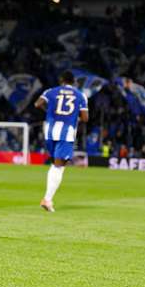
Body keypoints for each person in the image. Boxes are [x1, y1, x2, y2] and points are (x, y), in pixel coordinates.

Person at [34, 70, 88, 213]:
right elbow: (85, 118)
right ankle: (47, 199)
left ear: (61, 80)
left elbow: (37, 104)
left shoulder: (51, 91)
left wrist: (50, 111)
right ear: (73, 82)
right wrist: (73, 115)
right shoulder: (80, 95)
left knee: (55, 164)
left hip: (50, 131)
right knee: (59, 166)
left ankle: (48, 199)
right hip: (66, 133)